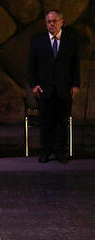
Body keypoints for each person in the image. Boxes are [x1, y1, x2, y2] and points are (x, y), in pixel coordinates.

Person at [28, 10, 80, 163]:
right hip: (44, 89)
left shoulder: (71, 40)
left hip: (64, 89)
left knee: (62, 122)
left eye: (54, 21)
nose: (51, 24)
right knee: (45, 122)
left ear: (62, 22)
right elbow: (32, 65)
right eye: (49, 22)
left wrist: (75, 85)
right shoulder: (37, 40)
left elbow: (75, 65)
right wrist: (34, 85)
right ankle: (45, 150)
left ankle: (59, 151)